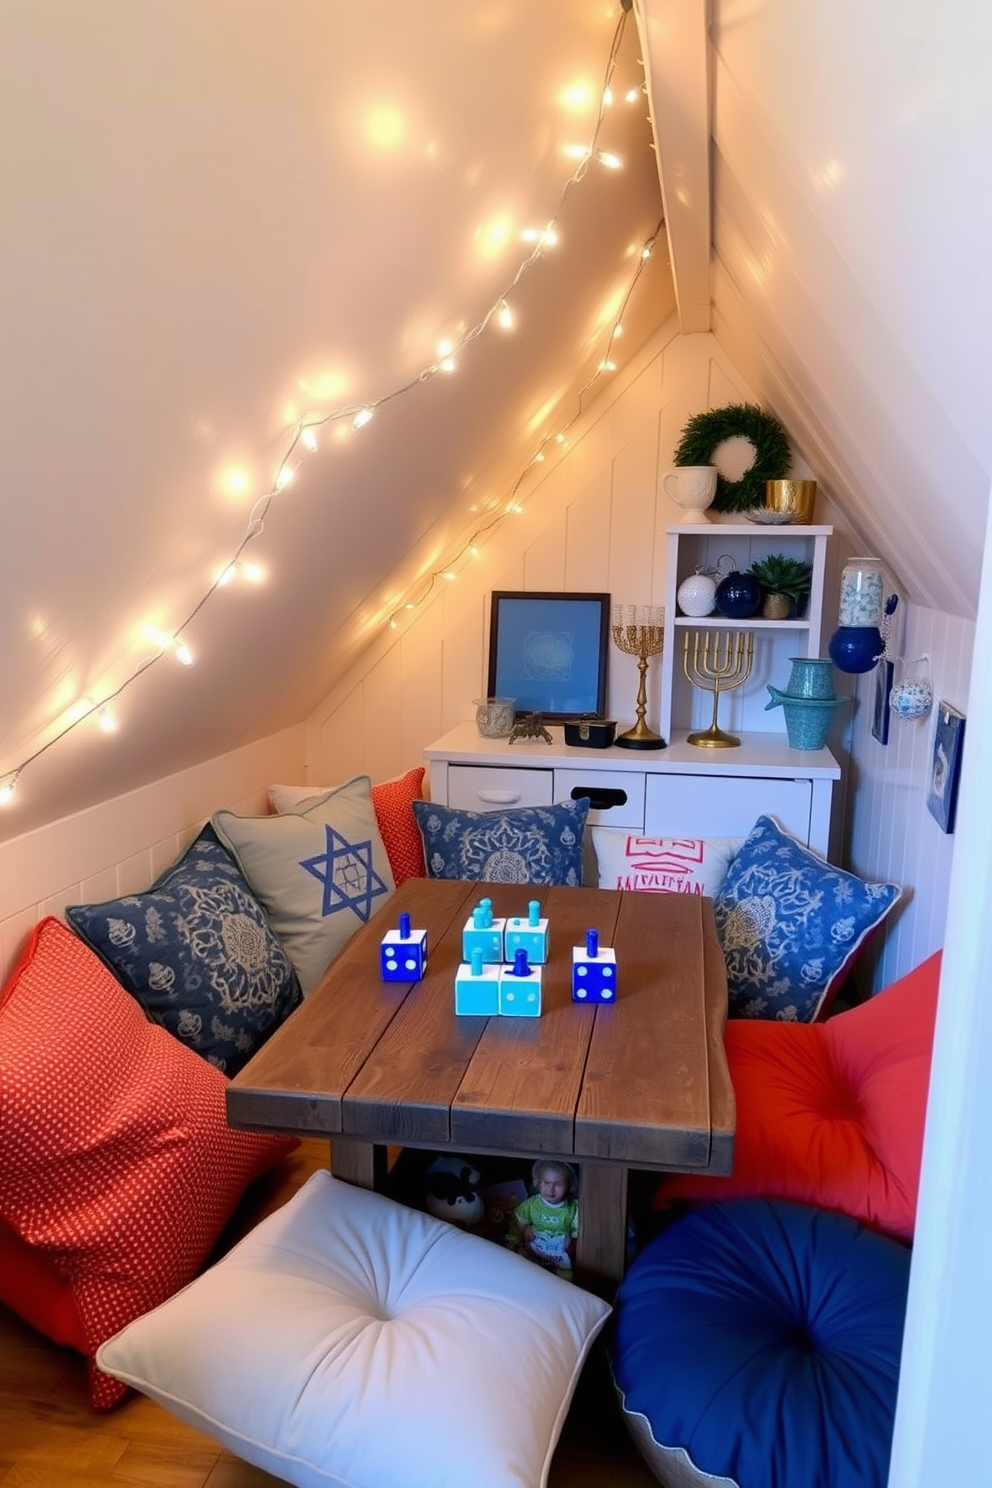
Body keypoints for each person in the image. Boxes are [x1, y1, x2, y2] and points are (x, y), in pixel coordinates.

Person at [509, 1160, 579, 1279]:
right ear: (538, 1182)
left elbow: (577, 1231)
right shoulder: (532, 1204)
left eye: (557, 1184)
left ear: (568, 1186)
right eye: (546, 1183)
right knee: (525, 1267)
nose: (551, 1189)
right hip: (535, 1246)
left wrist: (571, 1240)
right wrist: (525, 1230)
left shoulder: (571, 1208)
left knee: (565, 1277)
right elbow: (520, 1217)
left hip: (559, 1252)